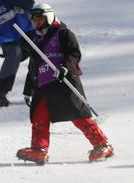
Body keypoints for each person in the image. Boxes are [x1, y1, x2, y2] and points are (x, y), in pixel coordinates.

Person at [17, 3, 114, 165]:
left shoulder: (63, 33)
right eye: (34, 20)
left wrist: (65, 68)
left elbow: (74, 53)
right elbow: (33, 66)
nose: (37, 22)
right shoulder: (36, 38)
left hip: (64, 82)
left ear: (48, 16)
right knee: (39, 117)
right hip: (43, 85)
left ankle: (102, 145)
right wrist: (28, 89)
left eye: (40, 19)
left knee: (78, 115)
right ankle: (39, 150)